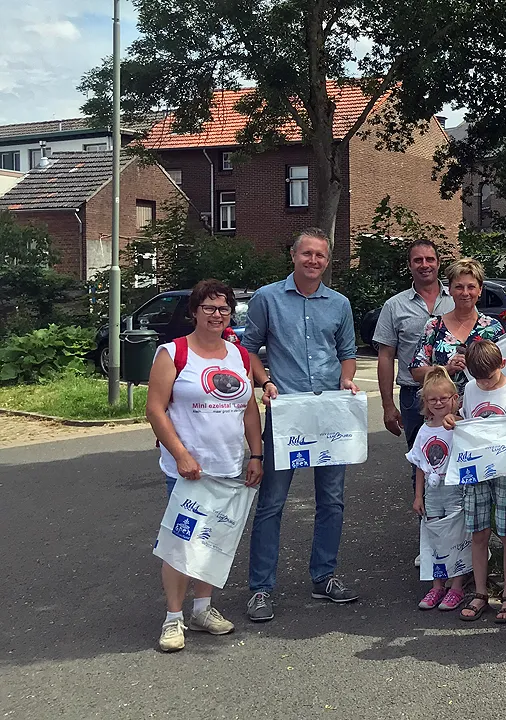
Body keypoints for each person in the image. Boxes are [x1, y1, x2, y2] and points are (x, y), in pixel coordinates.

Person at [242, 228, 360, 623]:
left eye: (320, 256)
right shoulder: (267, 298)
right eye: (306, 254)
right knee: (272, 503)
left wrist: (346, 379)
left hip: (329, 415)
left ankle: (324, 576)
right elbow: (248, 349)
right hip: (286, 415)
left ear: (327, 261)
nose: (313, 261)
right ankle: (261, 588)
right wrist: (265, 381)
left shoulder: (339, 303)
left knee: (332, 500)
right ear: (293, 256)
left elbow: (347, 353)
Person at [146, 279, 264, 652]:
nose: (217, 315)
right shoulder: (173, 352)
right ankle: (173, 618)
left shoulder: (238, 355)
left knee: (214, 541)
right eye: (209, 308)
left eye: (224, 308)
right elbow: (154, 408)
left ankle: (202, 609)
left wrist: (256, 454)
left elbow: (248, 408)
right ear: (194, 311)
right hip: (189, 470)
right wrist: (181, 454)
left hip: (228, 466)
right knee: (180, 542)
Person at [443, 339, 506, 623]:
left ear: (502, 365)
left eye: (489, 378)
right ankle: (481, 592)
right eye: (478, 378)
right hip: (476, 471)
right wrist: (452, 419)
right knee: (478, 532)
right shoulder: (470, 388)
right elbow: (466, 419)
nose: (484, 384)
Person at [374, 239, 454, 479]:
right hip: (414, 395)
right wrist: (388, 405)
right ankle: (426, 514)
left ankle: (454, 516)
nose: (424, 265)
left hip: (454, 393)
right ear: (409, 266)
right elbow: (386, 356)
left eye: (429, 259)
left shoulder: (457, 298)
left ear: (439, 263)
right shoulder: (394, 306)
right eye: (418, 260)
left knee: (456, 460)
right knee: (421, 464)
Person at [407, 366, 468, 612]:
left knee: (457, 536)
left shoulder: (460, 427)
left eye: (444, 398)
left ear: (455, 399)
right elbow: (420, 465)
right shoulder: (424, 430)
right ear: (426, 402)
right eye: (433, 400)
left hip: (455, 490)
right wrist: (418, 495)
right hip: (433, 492)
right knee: (434, 536)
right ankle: (437, 585)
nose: (439, 403)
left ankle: (457, 587)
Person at [408, 257, 504, 394]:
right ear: (450, 290)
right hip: (442, 408)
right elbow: (416, 372)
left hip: (484, 408)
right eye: (459, 287)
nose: (465, 293)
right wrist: (446, 369)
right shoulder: (434, 326)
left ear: (480, 290)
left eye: (471, 287)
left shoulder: (493, 328)